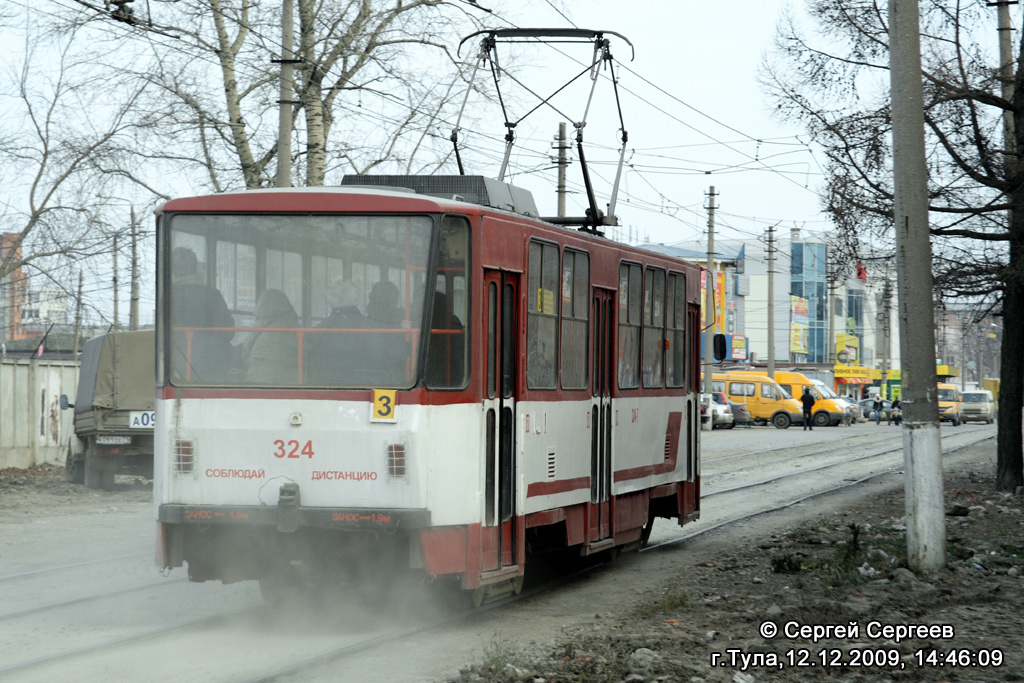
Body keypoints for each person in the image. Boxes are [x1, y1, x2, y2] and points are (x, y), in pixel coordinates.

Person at [170, 246, 240, 382]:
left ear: (173, 271)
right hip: (217, 364)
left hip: (181, 367)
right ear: (195, 269)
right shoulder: (213, 294)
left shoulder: (169, 296)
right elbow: (229, 330)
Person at [306, 279, 374, 384]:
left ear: (332, 299)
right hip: (365, 380)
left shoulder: (322, 328)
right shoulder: (370, 325)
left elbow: (310, 357)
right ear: (355, 297)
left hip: (325, 383)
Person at [243, 289, 300, 384]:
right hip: (293, 380)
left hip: (259, 380)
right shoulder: (294, 326)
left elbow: (246, 350)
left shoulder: (259, 326)